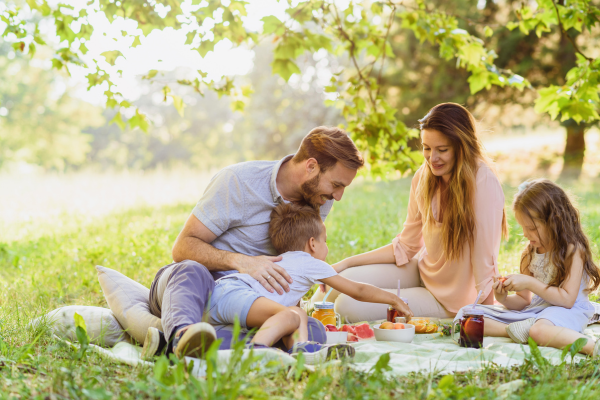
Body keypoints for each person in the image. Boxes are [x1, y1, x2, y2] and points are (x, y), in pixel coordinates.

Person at [144, 127, 365, 358]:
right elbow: (182, 248)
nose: (338, 196)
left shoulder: (319, 197)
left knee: (311, 331)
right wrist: (242, 262)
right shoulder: (238, 181)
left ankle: (179, 346)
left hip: (248, 304)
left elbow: (295, 261)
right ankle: (182, 334)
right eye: (336, 185)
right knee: (191, 269)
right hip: (195, 290)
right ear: (311, 166)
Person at [312, 103, 508, 321]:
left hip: (451, 300)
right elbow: (406, 246)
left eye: (442, 150)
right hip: (421, 272)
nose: (432, 158)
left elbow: (484, 260)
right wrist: (346, 263)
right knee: (338, 281)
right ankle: (297, 320)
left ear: (462, 146)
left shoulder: (483, 182)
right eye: (426, 148)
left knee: (348, 307)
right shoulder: (424, 177)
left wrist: (486, 318)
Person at [455, 179, 600, 356]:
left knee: (539, 331)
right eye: (523, 227)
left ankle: (593, 347)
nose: (525, 234)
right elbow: (524, 301)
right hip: (537, 311)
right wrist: (503, 299)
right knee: (466, 315)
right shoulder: (529, 254)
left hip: (569, 310)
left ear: (554, 222)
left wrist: (529, 282)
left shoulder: (573, 250)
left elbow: (567, 300)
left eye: (531, 228)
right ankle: (513, 329)